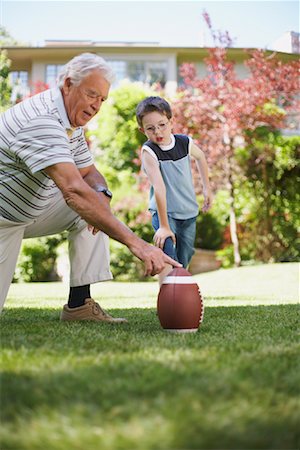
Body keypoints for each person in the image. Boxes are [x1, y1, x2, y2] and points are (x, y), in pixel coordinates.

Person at [0, 53, 181, 321]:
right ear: (68, 84)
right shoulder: (43, 120)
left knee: (93, 205)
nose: (96, 106)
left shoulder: (71, 121)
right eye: (91, 94)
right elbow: (73, 190)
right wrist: (139, 246)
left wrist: (101, 195)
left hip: (28, 210)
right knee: (86, 204)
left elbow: (88, 173)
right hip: (3, 220)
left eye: (102, 99)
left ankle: (79, 306)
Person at [136, 96, 213, 285]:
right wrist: (163, 226)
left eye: (162, 125)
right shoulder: (149, 152)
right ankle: (167, 303)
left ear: (171, 122)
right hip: (165, 215)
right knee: (168, 260)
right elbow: (160, 188)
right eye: (150, 128)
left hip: (188, 212)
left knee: (182, 262)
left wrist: (206, 189)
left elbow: (201, 157)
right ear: (142, 130)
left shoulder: (184, 143)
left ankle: (180, 298)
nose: (158, 132)